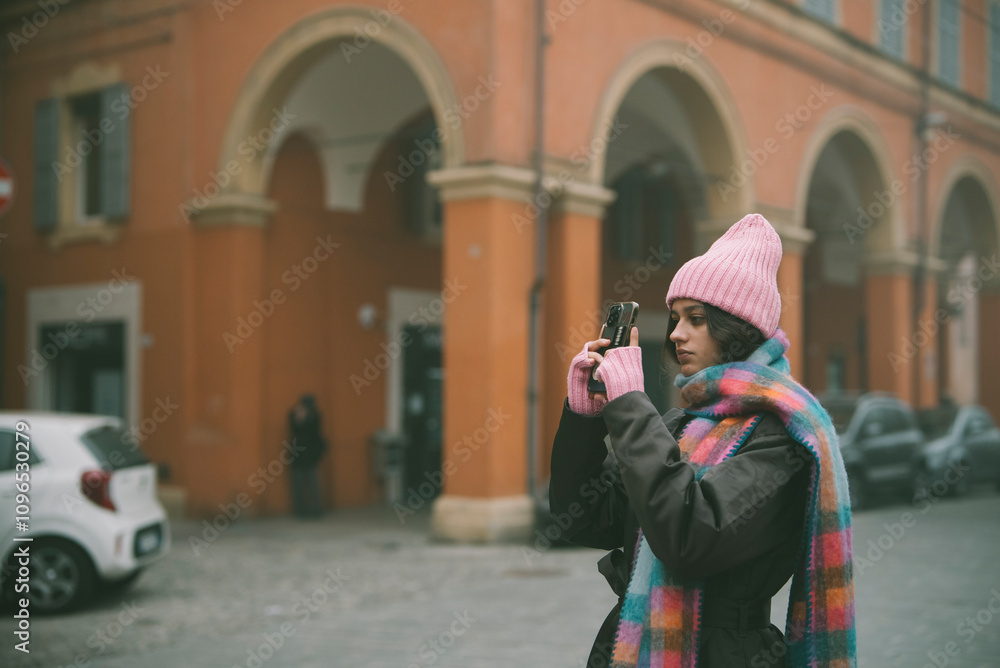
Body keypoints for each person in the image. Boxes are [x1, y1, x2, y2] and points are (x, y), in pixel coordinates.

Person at [549, 213, 857, 667]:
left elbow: (689, 539)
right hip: (633, 645)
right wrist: (585, 416)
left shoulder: (782, 434)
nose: (676, 333)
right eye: (676, 318)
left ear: (737, 327)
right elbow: (583, 518)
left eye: (696, 319)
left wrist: (632, 401)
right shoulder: (680, 422)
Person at [287, 393, 327, 518]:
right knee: (298, 485)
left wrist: (305, 418)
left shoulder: (315, 416)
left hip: (310, 456)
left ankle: (316, 509)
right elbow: (294, 431)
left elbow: (313, 432)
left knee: (313, 484)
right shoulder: (294, 415)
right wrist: (299, 418)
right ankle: (300, 510)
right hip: (298, 456)